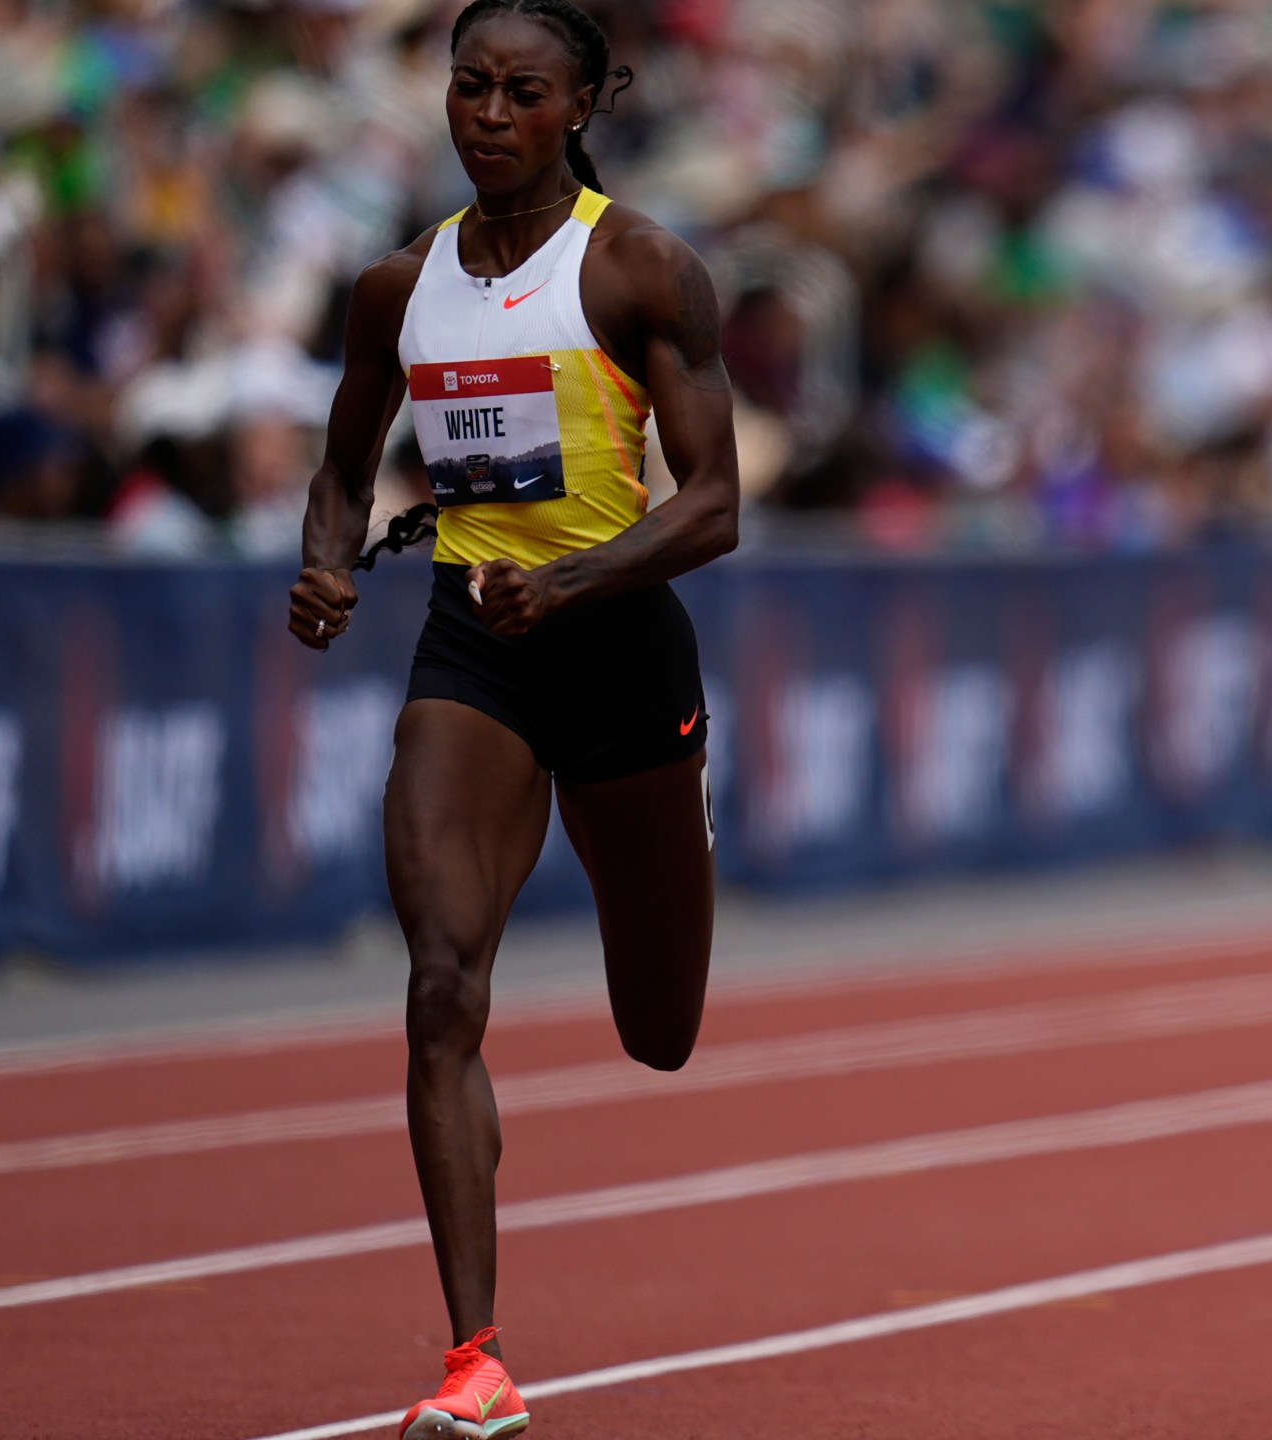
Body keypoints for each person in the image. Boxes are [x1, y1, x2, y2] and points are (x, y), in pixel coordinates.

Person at [285, 1, 740, 1432]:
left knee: (658, 1029)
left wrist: (574, 580)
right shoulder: (393, 288)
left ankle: (684, 822)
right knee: (441, 984)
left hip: (619, 661)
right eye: (468, 87)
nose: (488, 114)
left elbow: (717, 506)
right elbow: (343, 461)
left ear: (588, 101)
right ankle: (474, 1361)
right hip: (471, 661)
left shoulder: (641, 270)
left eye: (522, 92)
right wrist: (323, 558)